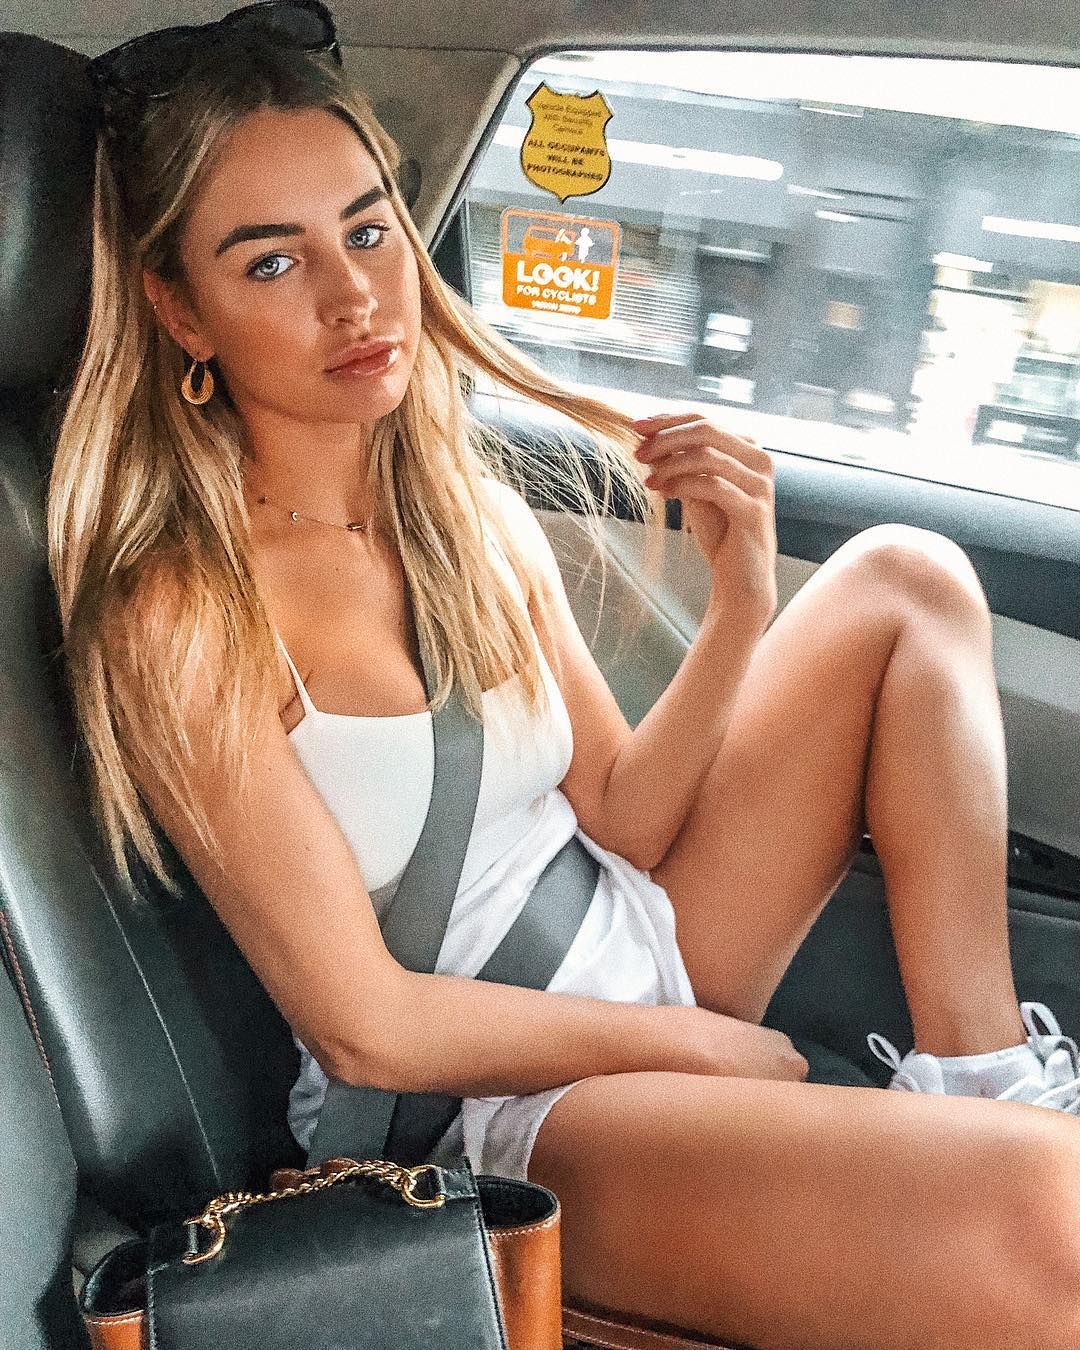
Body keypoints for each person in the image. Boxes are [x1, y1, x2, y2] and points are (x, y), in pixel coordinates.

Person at [46, 5, 1080, 1348]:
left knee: (907, 579)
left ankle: (987, 1086)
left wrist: (743, 603)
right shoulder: (180, 612)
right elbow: (367, 1030)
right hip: (492, 1108)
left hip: (637, 943)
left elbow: (626, 816)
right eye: (273, 262)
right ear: (179, 309)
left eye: (369, 231)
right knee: (1056, 1220)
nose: (354, 297)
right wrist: (690, 1046)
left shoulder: (460, 506)